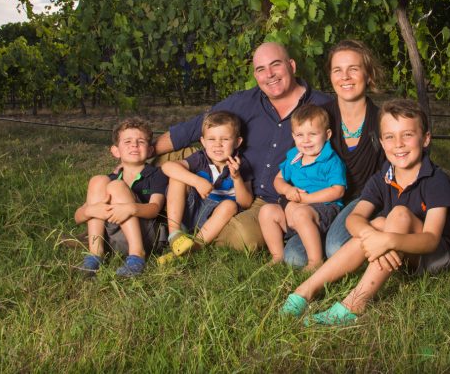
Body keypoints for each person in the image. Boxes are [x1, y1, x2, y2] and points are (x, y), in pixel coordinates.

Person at [279, 99, 450, 325]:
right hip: (404, 252)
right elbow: (354, 218)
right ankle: (305, 290)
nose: (398, 144)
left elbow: (430, 240)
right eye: (390, 137)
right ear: (381, 141)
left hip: (439, 255)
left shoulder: (436, 180)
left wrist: (387, 240)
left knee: (397, 214)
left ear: (425, 138)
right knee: (376, 223)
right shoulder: (383, 176)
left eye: (407, 135)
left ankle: (355, 303)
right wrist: (375, 237)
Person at [154, 41, 330, 251]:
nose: (270, 74)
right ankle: (161, 217)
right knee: (165, 161)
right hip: (222, 171)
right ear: (256, 76)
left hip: (269, 199)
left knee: (242, 238)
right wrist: (138, 156)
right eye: (261, 69)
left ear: (291, 66)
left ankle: (197, 233)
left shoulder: (322, 106)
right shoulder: (245, 101)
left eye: (276, 65)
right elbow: (192, 128)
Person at [283, 40, 387, 267]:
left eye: (354, 69)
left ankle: (366, 233)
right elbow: (294, 163)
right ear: (330, 76)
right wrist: (292, 200)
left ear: (368, 74)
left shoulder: (381, 121)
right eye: (337, 70)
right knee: (293, 257)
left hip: (363, 200)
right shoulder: (319, 118)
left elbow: (388, 177)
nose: (345, 77)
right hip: (323, 203)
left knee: (336, 247)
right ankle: (328, 241)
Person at [74, 118, 168, 278]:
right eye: (127, 141)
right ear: (115, 151)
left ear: (151, 150)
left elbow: (154, 209)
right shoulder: (109, 179)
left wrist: (131, 208)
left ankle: (137, 256)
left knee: (116, 187)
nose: (134, 145)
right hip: (113, 238)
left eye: (141, 141)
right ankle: (95, 254)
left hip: (147, 235)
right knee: (98, 180)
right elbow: (78, 217)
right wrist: (91, 210)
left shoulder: (156, 174)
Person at [157, 111, 254, 264]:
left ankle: (193, 248)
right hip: (191, 209)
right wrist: (196, 181)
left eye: (225, 139)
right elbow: (168, 167)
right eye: (211, 139)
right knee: (178, 177)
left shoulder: (241, 164)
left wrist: (237, 178)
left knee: (229, 205)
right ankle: (174, 234)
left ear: (237, 142)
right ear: (202, 141)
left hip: (214, 221)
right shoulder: (200, 158)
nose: (217, 144)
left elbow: (246, 203)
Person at [259, 104, 346, 270]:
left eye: (313, 134)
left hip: (325, 210)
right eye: (300, 135)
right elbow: (277, 180)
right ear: (293, 136)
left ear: (327, 135)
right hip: (297, 209)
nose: (306, 140)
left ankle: (315, 261)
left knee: (300, 213)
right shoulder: (294, 157)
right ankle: (277, 256)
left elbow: (338, 190)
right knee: (267, 211)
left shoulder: (330, 160)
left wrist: (307, 199)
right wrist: (287, 190)